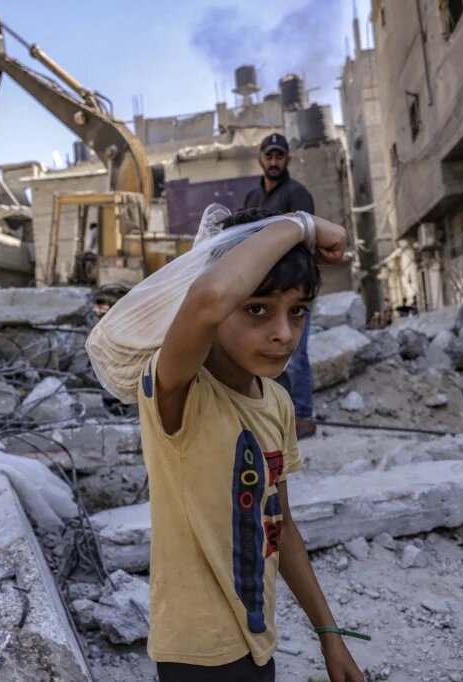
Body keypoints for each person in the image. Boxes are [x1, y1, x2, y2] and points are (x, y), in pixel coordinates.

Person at [136, 207, 364, 681]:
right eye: (258, 308)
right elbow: (210, 296)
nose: (284, 333)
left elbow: (281, 526)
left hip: (256, 643)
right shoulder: (179, 391)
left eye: (297, 311)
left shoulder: (277, 402)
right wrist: (304, 225)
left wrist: (329, 634)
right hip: (197, 655)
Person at [242, 133, 317, 439]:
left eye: (279, 156)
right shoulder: (252, 199)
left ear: (287, 159)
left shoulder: (298, 195)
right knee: (264, 354)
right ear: (261, 158)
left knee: (295, 355)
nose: (274, 162)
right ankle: (274, 416)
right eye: (269, 156)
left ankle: (303, 417)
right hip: (262, 290)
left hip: (293, 290)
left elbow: (307, 240)